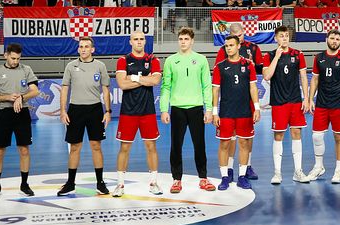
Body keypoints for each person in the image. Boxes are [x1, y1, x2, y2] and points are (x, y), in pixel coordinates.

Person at [160, 27, 216, 194]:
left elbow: (207, 86)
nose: (183, 42)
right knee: (176, 146)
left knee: (199, 144)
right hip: (177, 109)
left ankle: (203, 178)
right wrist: (164, 109)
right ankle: (176, 180)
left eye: (186, 39)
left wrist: (209, 109)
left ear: (192, 41)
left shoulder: (201, 60)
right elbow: (166, 87)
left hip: (196, 108)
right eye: (181, 39)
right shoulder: (170, 60)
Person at [57, 37, 112, 195]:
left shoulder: (100, 66)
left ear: (92, 49)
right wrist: (63, 110)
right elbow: (65, 89)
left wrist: (108, 111)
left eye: (87, 46)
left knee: (96, 146)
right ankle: (70, 183)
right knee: (75, 147)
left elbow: (106, 89)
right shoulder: (70, 66)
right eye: (81, 46)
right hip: (75, 110)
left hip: (95, 109)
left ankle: (100, 183)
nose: (83, 49)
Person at [0, 43, 39, 198]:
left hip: (22, 113)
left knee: (24, 149)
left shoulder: (26, 70)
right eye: (13, 58)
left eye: (18, 58)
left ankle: (24, 184)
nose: (16, 61)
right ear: (6, 55)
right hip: (3, 114)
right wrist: (7, 97)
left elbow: (35, 91)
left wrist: (21, 97)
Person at [113, 31, 163, 196]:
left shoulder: (153, 60)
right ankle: (120, 185)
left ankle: (154, 183)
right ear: (130, 42)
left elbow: (155, 81)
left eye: (142, 39)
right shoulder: (123, 60)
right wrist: (143, 79)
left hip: (147, 111)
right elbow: (122, 84)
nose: (139, 41)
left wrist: (133, 77)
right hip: (128, 111)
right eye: (136, 39)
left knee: (151, 146)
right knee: (125, 147)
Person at [214, 22, 265, 180]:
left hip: (247, 99)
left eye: (240, 36)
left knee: (247, 137)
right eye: (235, 37)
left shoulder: (254, 48)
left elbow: (259, 72)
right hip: (230, 100)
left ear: (244, 33)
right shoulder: (224, 51)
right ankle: (228, 169)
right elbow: (218, 80)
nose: (238, 39)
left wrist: (257, 106)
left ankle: (247, 167)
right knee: (230, 137)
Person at [262, 26, 311, 184]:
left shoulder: (298, 54)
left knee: (297, 134)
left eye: (286, 35)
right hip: (278, 102)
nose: (284, 38)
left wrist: (306, 98)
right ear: (276, 38)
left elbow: (303, 77)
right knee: (279, 136)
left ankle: (298, 171)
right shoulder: (269, 55)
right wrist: (276, 57)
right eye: (281, 36)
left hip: (296, 101)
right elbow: (267, 76)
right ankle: (277, 173)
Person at [307, 29, 340, 184]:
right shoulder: (319, 58)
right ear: (326, 39)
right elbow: (314, 80)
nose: (335, 41)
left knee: (338, 136)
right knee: (316, 136)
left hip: (339, 104)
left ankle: (338, 170)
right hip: (322, 103)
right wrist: (310, 99)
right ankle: (319, 166)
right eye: (332, 38)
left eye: (337, 39)